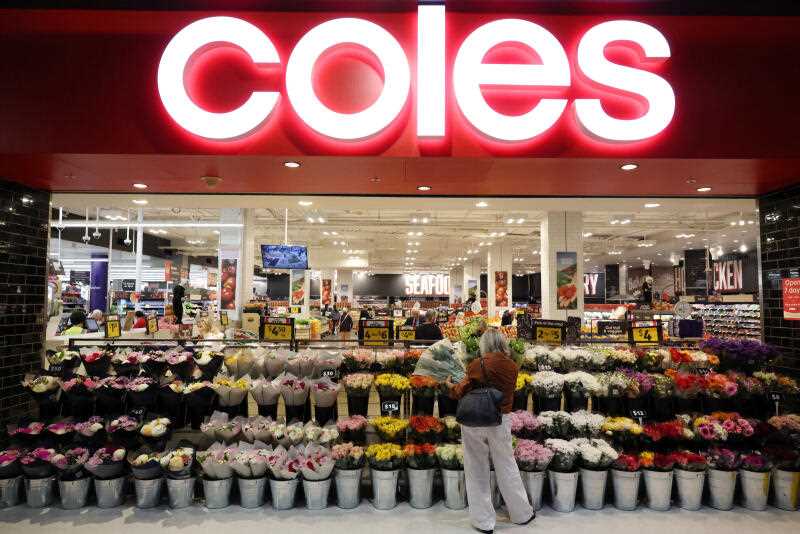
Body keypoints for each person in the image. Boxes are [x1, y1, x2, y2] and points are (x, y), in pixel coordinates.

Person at [448, 328, 534, 533]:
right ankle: (522, 514)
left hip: (475, 420)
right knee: (507, 464)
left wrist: (450, 385)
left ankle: (483, 521)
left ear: (484, 345)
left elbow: (461, 390)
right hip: (501, 420)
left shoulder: (477, 364)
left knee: (476, 467)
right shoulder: (513, 365)